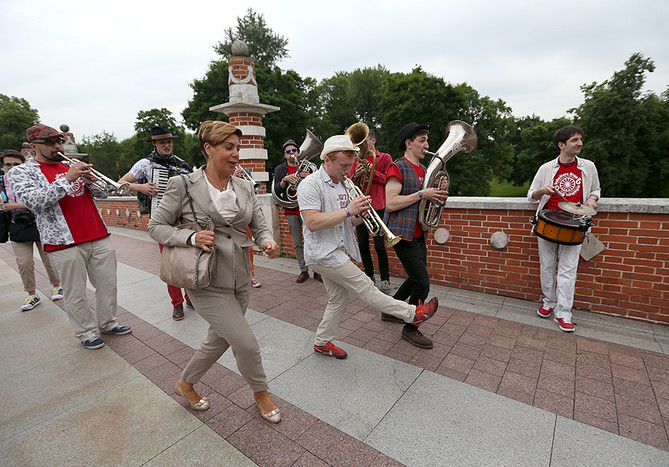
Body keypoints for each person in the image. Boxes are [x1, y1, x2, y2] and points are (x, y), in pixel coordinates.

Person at [147, 120, 282, 422]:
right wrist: (191, 237)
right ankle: (261, 393)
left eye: (238, 148)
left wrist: (268, 241)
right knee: (245, 342)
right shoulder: (183, 185)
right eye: (228, 147)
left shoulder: (244, 185)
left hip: (241, 276)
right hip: (205, 279)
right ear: (208, 149)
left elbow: (258, 224)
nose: (236, 154)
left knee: (218, 339)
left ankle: (186, 383)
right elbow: (155, 227)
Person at [297, 134, 439, 360]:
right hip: (323, 254)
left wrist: (361, 215)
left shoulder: (343, 184)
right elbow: (313, 223)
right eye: (343, 165)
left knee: (339, 299)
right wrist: (348, 210)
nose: (347, 170)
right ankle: (413, 313)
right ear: (326, 160)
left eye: (350, 165)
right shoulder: (309, 185)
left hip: (337, 249)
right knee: (367, 287)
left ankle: (322, 343)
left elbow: (348, 221)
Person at [7, 124, 131, 349]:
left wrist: (92, 181)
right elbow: (34, 201)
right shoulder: (21, 172)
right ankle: (85, 332)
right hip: (63, 242)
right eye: (50, 143)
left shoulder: (69, 165)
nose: (57, 146)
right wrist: (67, 179)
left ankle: (108, 322)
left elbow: (103, 193)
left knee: (108, 285)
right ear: (34, 146)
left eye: (59, 141)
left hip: (97, 233)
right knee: (75, 291)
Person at [527, 125, 600, 332]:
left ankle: (564, 312)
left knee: (568, 270)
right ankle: (548, 302)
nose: (580, 143)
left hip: (575, 224)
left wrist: (592, 198)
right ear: (562, 145)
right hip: (548, 223)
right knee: (547, 266)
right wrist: (541, 190)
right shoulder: (546, 168)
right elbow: (530, 196)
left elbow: (596, 189)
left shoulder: (588, 167)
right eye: (575, 140)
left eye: (580, 139)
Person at [383, 123, 449, 349]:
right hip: (402, 233)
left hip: (419, 232)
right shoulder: (397, 167)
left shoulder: (424, 170)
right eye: (422, 140)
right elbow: (391, 203)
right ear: (408, 143)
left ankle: (391, 310)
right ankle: (411, 326)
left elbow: (423, 200)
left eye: (427, 140)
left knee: (414, 278)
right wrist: (422, 193)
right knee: (422, 283)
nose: (427, 145)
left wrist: (435, 197)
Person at [118, 125, 193, 320]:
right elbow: (119, 183)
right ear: (154, 143)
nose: (167, 145)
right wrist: (140, 186)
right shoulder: (145, 164)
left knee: (187, 260)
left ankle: (191, 296)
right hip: (161, 220)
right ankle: (177, 304)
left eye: (169, 141)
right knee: (170, 262)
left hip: (183, 219)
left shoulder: (182, 165)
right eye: (162, 142)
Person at [1, 149, 62, 310]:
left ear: (23, 163)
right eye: (8, 164)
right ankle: (31, 294)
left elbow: (42, 199)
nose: (12, 167)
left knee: (49, 259)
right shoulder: (2, 182)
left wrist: (14, 205)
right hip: (17, 226)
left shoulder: (32, 176)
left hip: (39, 224)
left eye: (16, 163)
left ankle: (56, 285)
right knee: (24, 263)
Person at [349, 128, 393, 293]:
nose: (361, 145)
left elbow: (389, 179)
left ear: (373, 141)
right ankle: (369, 276)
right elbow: (350, 183)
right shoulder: (356, 159)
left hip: (378, 206)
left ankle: (385, 278)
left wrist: (370, 171)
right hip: (360, 205)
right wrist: (357, 175)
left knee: (380, 246)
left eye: (364, 140)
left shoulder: (385, 158)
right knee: (363, 245)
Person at [273, 139, 322, 284]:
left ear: (298, 152)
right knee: (297, 243)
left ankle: (317, 270)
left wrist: (310, 178)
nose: (291, 153)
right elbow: (276, 190)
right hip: (291, 210)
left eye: (293, 151)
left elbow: (319, 186)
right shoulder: (280, 170)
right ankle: (304, 270)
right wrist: (284, 181)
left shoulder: (308, 167)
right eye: (288, 152)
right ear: (285, 155)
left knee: (312, 241)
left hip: (308, 209)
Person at [233, 164, 261, 288]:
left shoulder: (245, 171)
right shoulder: (223, 173)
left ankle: (251, 276)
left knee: (249, 247)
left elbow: (252, 192)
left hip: (247, 213)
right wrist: (233, 177)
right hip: (233, 215)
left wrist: (243, 179)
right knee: (233, 248)